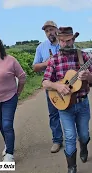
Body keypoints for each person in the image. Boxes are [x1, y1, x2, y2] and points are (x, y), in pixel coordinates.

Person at [42, 26, 92, 173]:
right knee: (70, 137)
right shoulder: (54, 60)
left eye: (67, 41)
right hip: (64, 107)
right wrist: (58, 86)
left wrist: (89, 77)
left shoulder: (84, 56)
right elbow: (45, 82)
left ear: (73, 40)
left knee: (84, 134)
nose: (65, 44)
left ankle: (84, 146)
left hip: (82, 103)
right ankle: (71, 168)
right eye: (61, 41)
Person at [32, 20, 63, 153]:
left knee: (72, 110)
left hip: (68, 84)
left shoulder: (65, 43)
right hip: (50, 86)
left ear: (57, 29)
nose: (49, 33)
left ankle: (74, 136)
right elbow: (35, 67)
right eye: (46, 31)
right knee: (54, 113)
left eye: (51, 29)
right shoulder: (41, 48)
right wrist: (46, 63)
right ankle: (57, 140)